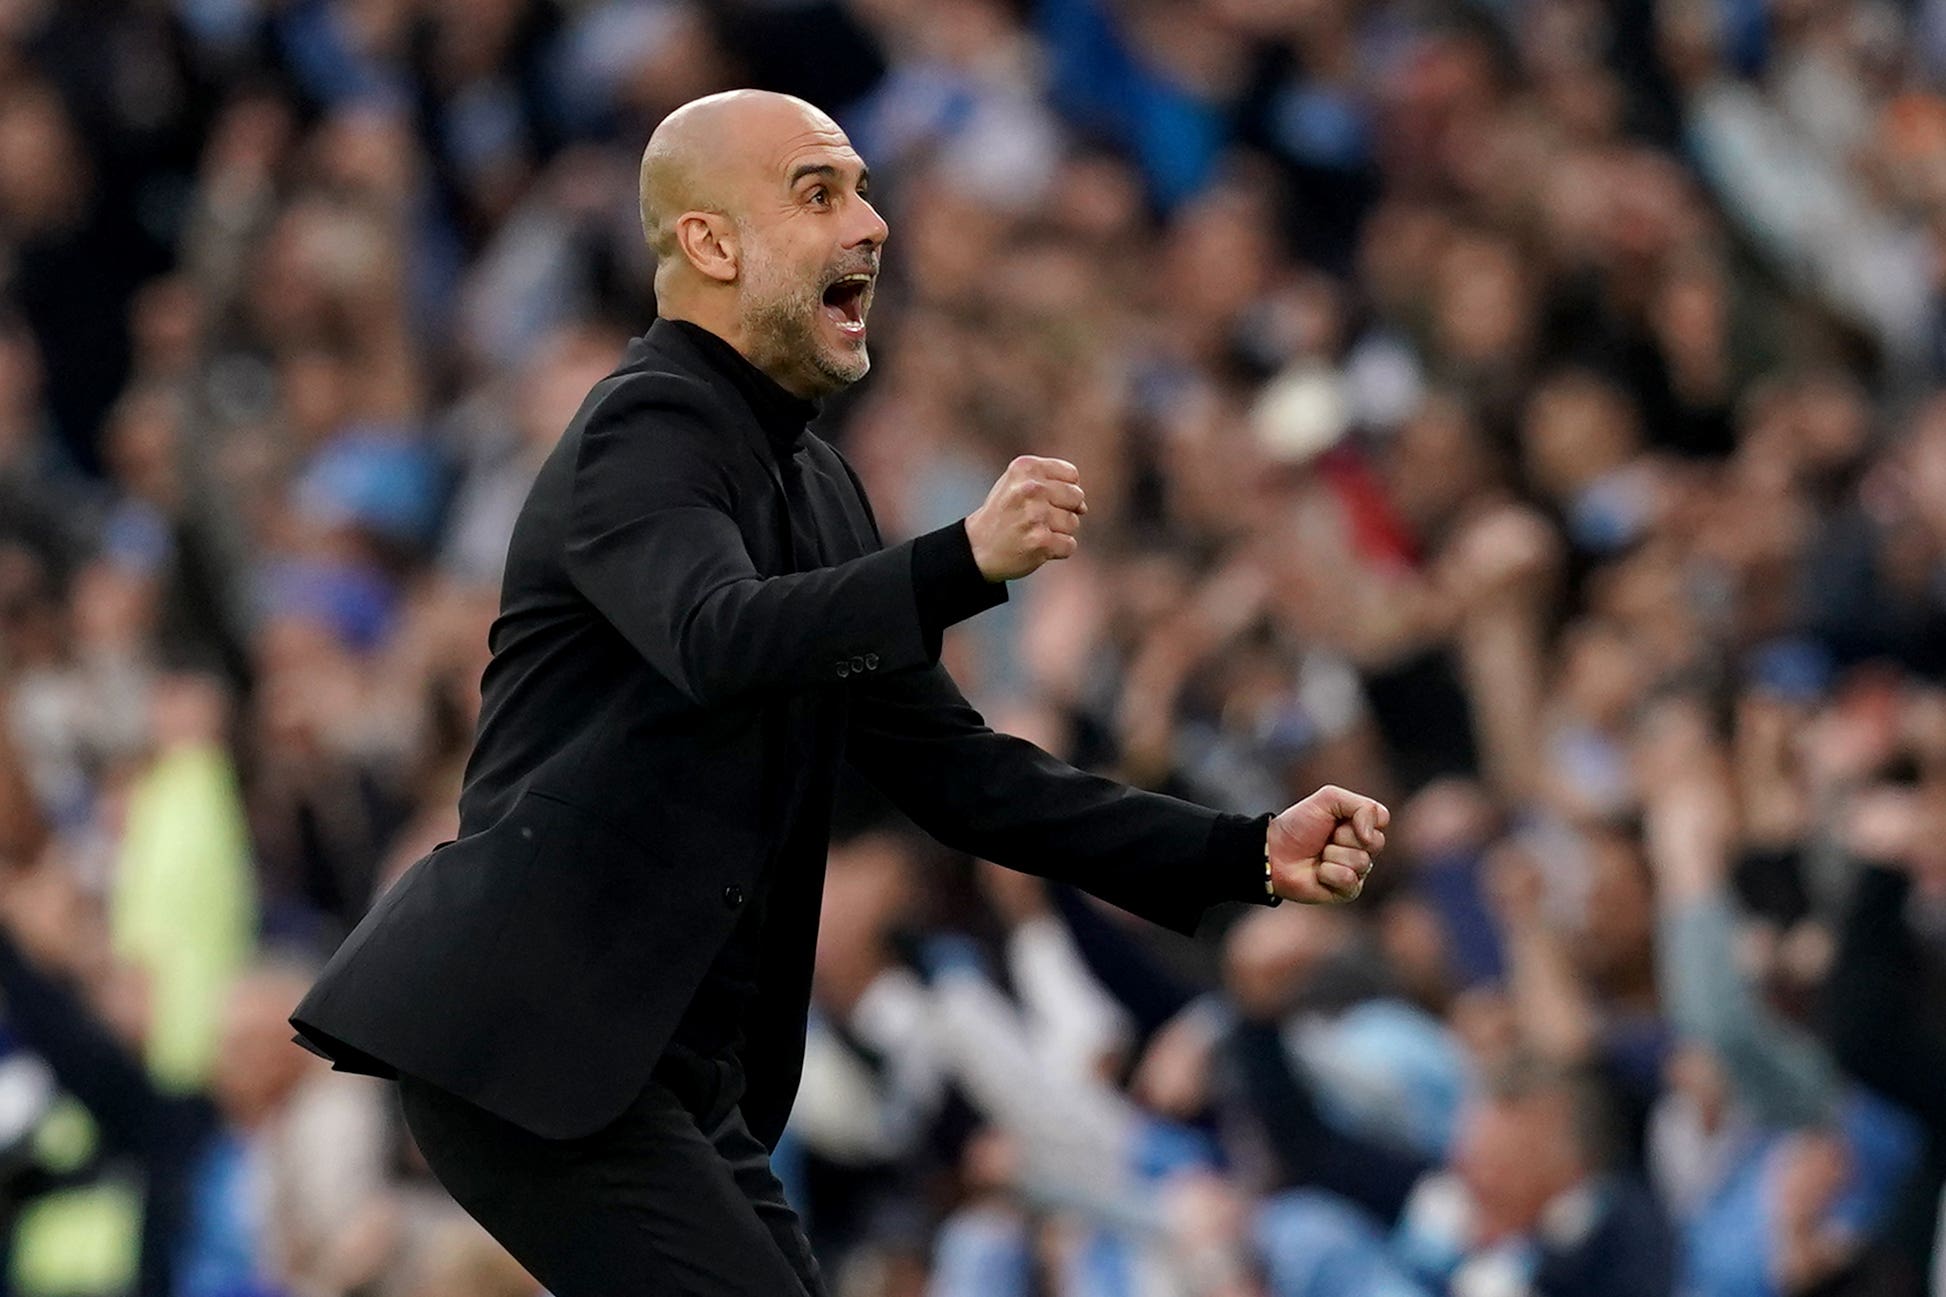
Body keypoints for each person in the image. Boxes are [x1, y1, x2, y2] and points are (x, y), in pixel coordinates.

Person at [288, 89, 1390, 1297]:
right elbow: (714, 634)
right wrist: (961, 563)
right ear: (710, 245)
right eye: (820, 193)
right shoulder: (644, 424)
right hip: (535, 1045)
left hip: (663, 1069)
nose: (870, 224)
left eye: (864, 189)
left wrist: (1240, 853)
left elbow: (961, 776)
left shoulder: (817, 488)